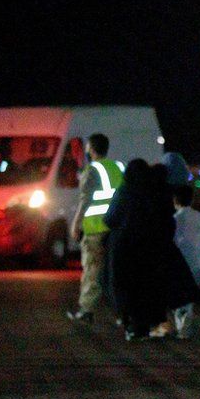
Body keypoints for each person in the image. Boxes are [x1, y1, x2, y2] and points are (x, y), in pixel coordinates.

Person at [105, 160, 200, 341]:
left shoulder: (125, 192)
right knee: (148, 289)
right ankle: (150, 324)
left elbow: (110, 219)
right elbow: (168, 221)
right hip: (152, 250)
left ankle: (134, 325)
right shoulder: (157, 192)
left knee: (127, 287)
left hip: (125, 250)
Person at [67, 133, 124, 324]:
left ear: (91, 149)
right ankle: (121, 313)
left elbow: (85, 200)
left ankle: (86, 311)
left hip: (95, 229)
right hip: (115, 228)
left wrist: (76, 223)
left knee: (92, 270)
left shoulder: (91, 170)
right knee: (114, 272)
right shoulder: (117, 167)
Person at [172, 185, 200, 339]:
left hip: (179, 265)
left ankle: (182, 328)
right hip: (197, 265)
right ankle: (184, 327)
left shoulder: (175, 219)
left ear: (174, 200)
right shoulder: (198, 217)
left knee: (179, 297)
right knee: (188, 298)